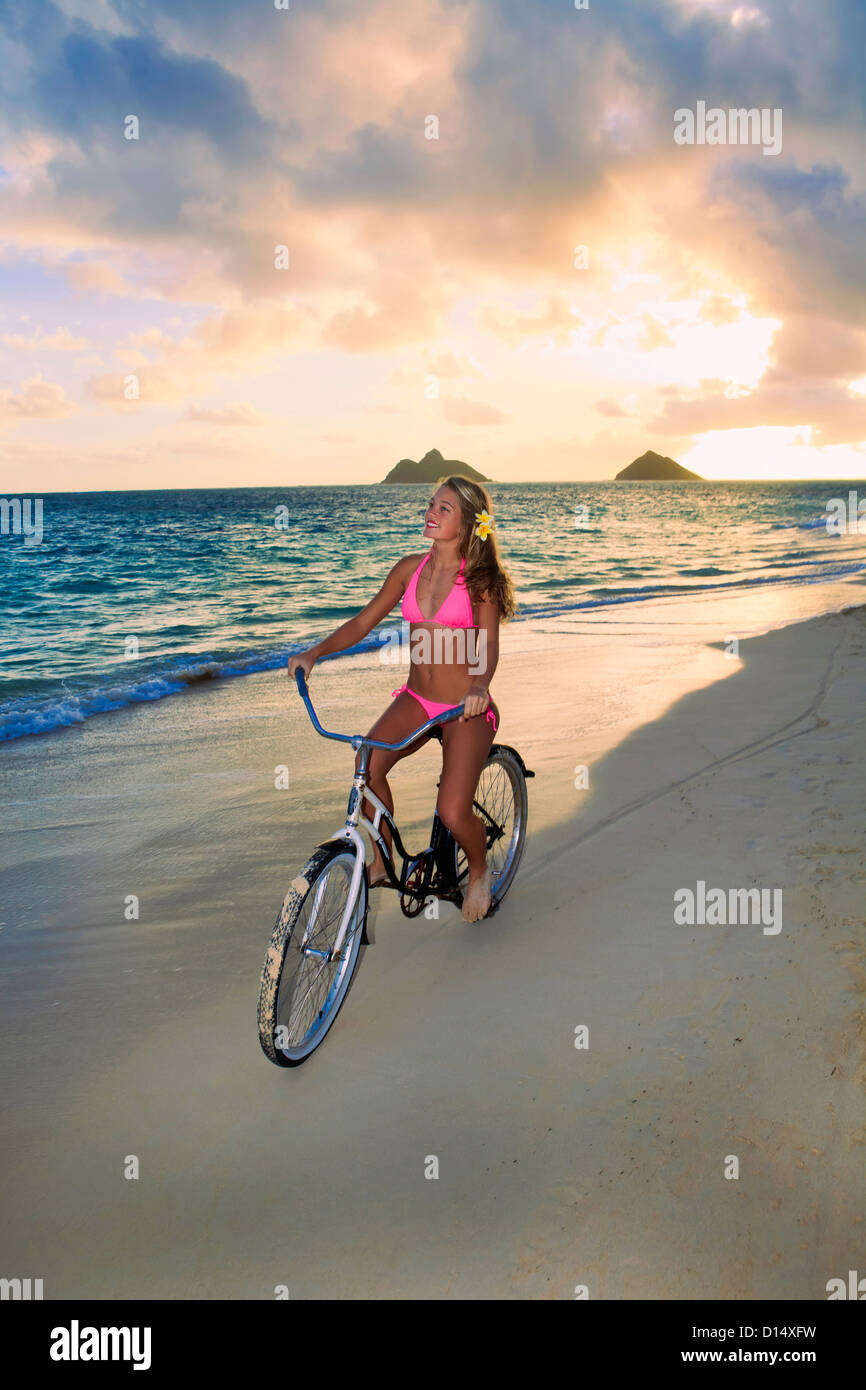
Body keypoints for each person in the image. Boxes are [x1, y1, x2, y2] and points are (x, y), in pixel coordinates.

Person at [287, 474, 516, 921]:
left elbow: (487, 647)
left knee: (452, 810)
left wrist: (479, 687)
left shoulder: (480, 579)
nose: (431, 512)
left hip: (464, 709)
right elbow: (362, 623)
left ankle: (481, 871)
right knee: (366, 764)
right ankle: (380, 855)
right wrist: (315, 653)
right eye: (431, 503)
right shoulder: (409, 569)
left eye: (444, 508)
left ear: (468, 523)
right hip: (417, 698)